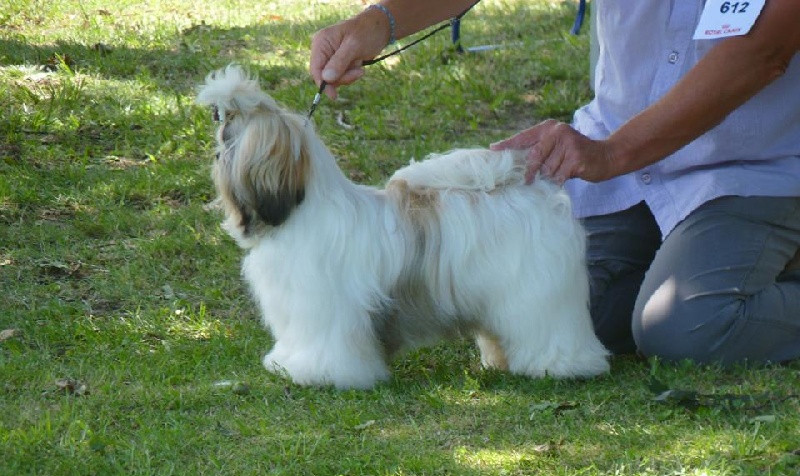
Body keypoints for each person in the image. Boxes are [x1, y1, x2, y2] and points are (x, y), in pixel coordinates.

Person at [309, 1, 800, 365]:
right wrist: (376, 24)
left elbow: (763, 51)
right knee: (555, 316)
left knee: (684, 329)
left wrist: (612, 152)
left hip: (750, 169)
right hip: (626, 173)